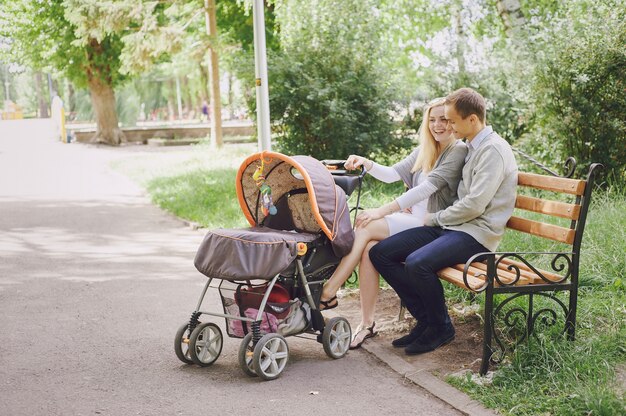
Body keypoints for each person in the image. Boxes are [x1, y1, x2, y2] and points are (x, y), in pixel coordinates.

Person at [369, 87, 518, 355]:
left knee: (417, 262)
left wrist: (434, 217)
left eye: (451, 120)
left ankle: (440, 327)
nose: (447, 125)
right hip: (453, 228)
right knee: (380, 253)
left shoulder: (492, 150)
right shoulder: (474, 145)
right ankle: (426, 320)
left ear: (472, 120)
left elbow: (475, 204)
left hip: (477, 234)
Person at [318, 97, 468, 349]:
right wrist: (367, 162)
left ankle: (328, 291)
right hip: (411, 219)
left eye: (443, 119)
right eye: (432, 120)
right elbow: (390, 175)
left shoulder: (457, 150)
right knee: (367, 249)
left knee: (365, 226)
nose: (437, 125)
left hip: (431, 223)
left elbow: (425, 190)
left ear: (453, 121)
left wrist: (382, 210)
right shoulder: (426, 150)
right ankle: (366, 323)